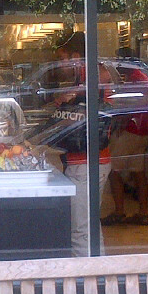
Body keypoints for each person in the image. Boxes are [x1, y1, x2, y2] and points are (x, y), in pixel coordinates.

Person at [41, 31, 112, 256]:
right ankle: (97, 269)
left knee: (81, 230)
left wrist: (73, 95)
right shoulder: (86, 76)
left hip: (87, 163)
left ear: (75, 56)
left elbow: (95, 96)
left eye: (63, 59)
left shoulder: (93, 73)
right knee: (86, 226)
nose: (61, 64)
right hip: (86, 161)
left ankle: (88, 274)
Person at [103, 47, 148, 226]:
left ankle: (119, 212)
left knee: (113, 171)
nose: (118, 65)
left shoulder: (135, 80)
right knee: (138, 172)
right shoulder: (141, 78)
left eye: (120, 61)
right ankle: (143, 213)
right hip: (141, 132)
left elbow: (130, 106)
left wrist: (120, 123)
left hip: (129, 131)